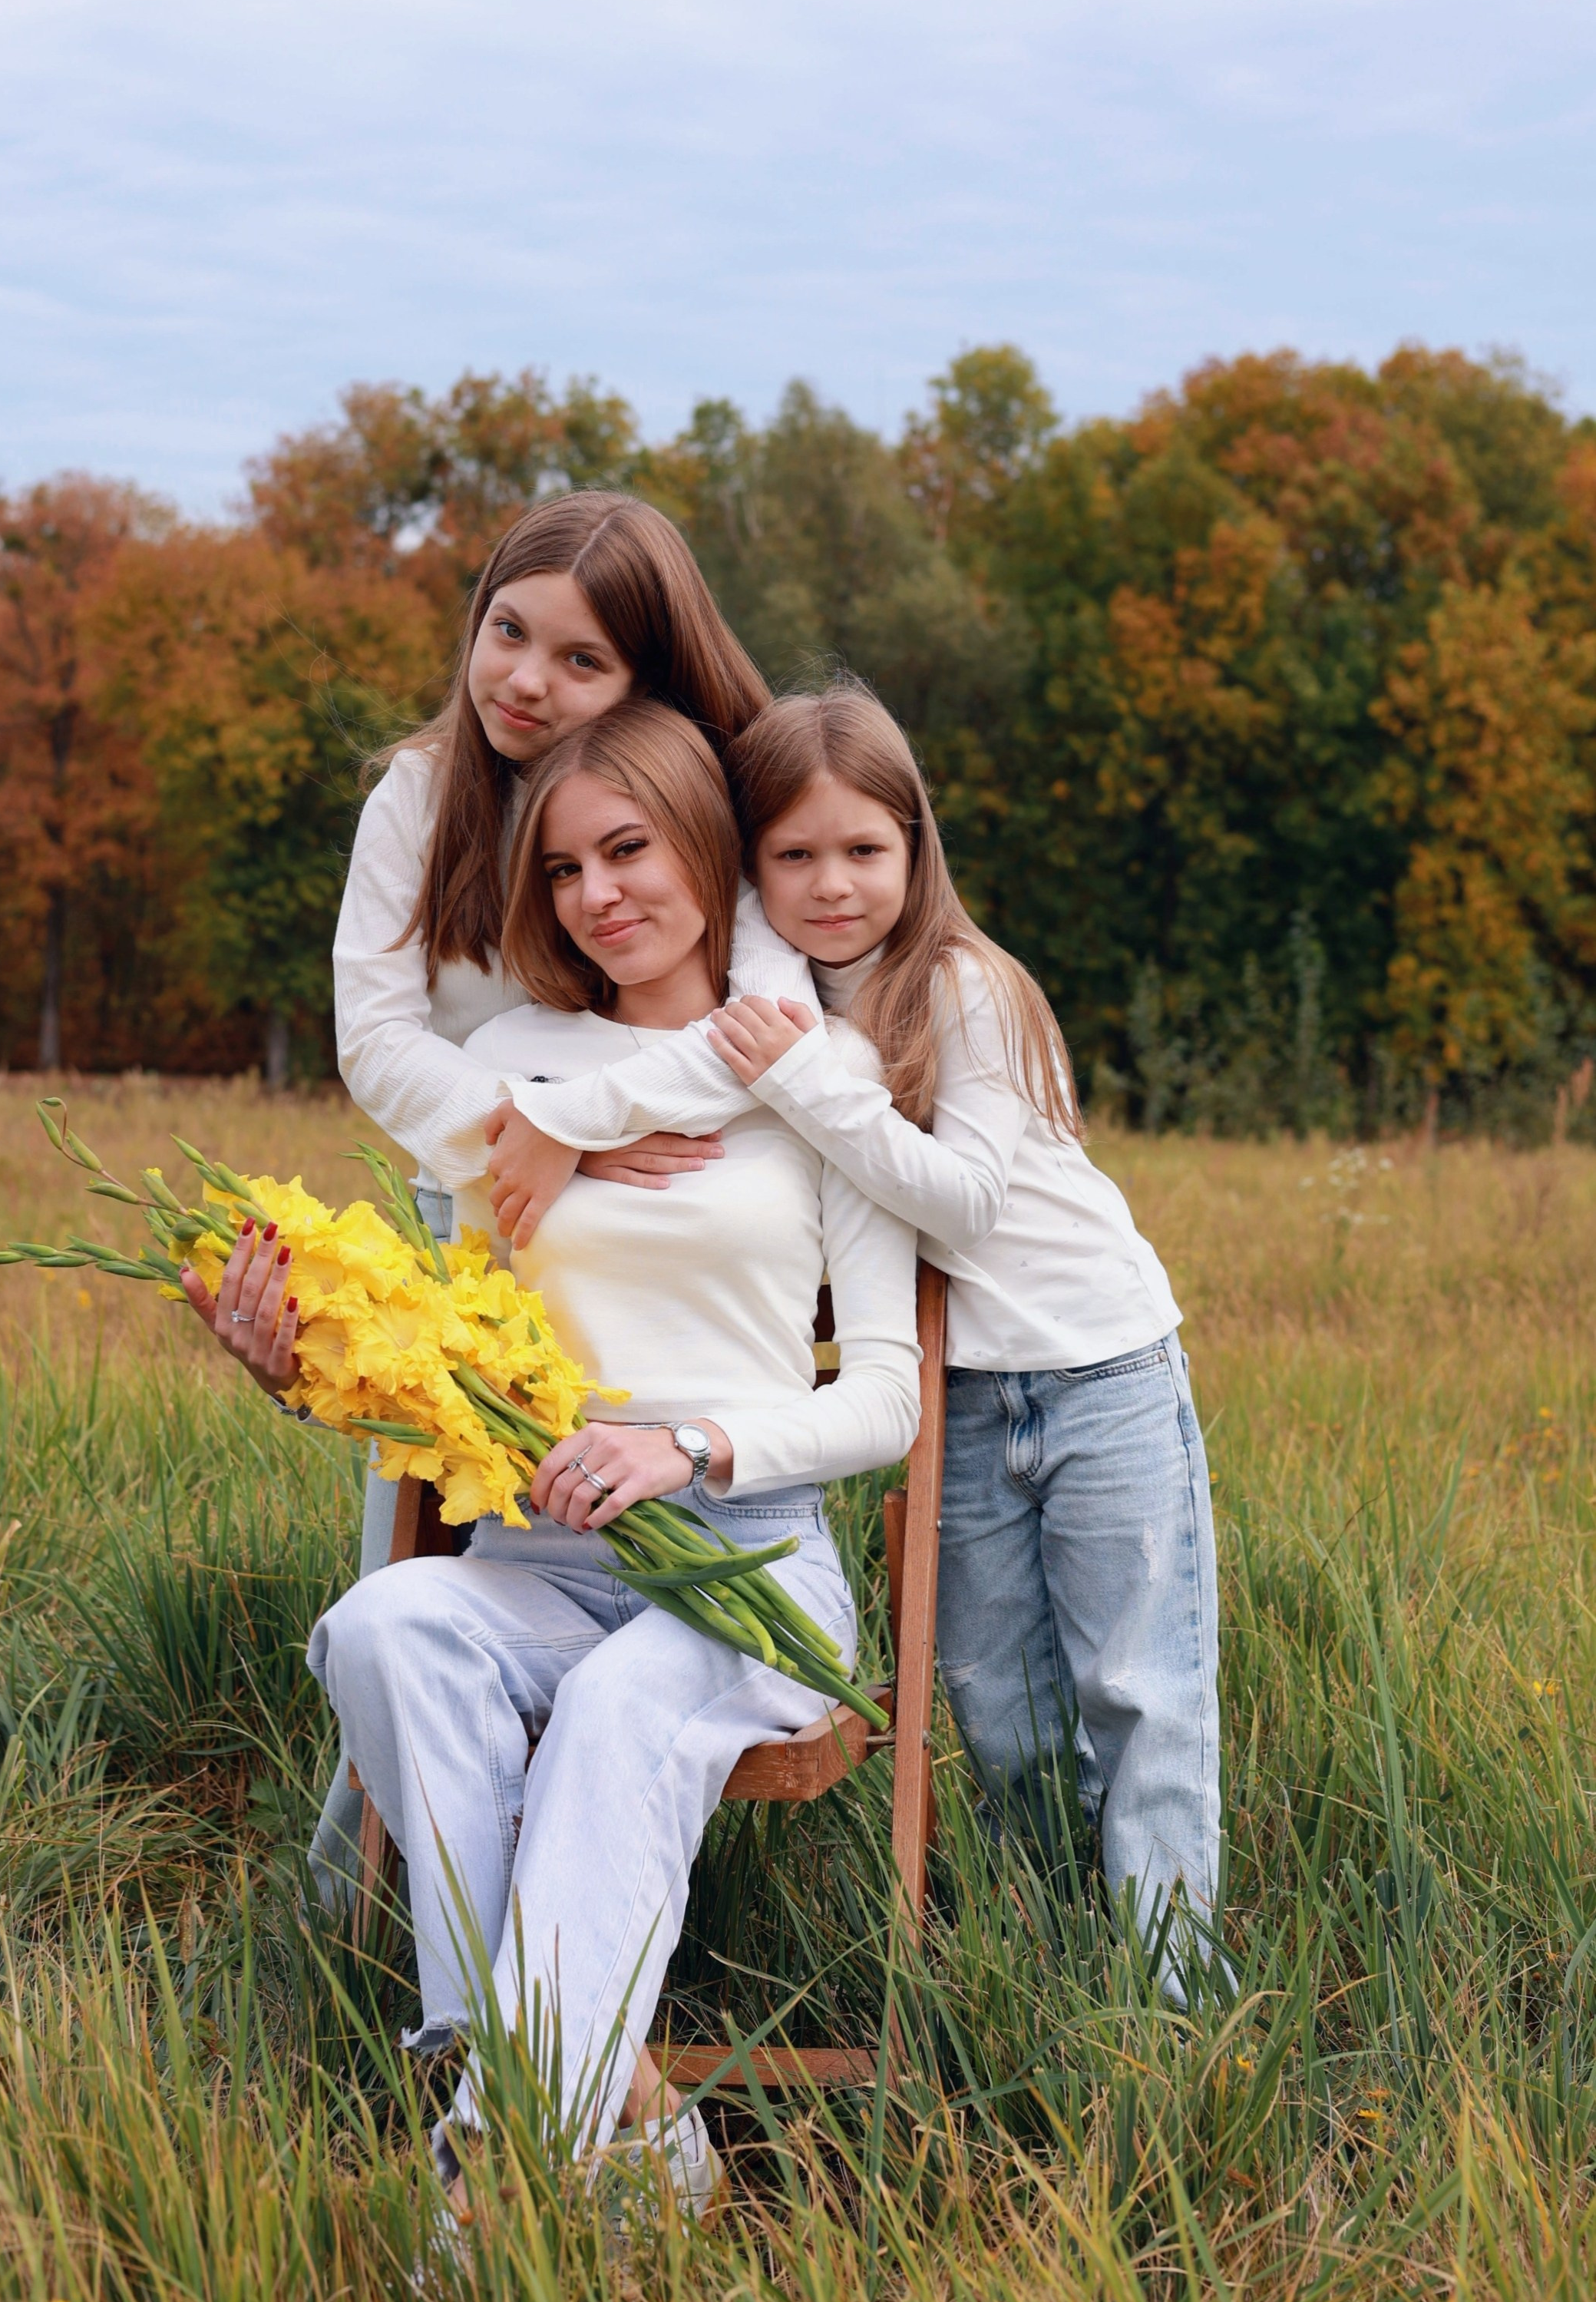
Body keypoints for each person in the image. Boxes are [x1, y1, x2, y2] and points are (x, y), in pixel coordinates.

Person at [492, 683, 1221, 1988]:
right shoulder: (787, 984)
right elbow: (696, 1065)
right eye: (796, 855)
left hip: (1096, 1361)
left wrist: (798, 1084)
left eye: (864, 850)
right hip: (966, 1393)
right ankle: (1054, 1977)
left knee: (1140, 1695)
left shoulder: (961, 984)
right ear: (751, 867)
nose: (832, 884)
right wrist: (575, 1127)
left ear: (915, 848)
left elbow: (964, 1200)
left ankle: (1175, 2007)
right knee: (1002, 1710)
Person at [299, 703, 919, 2211]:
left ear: (705, 846)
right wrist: (302, 1345)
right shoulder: (507, 1067)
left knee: (625, 1704)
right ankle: (617, 2109)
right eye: (565, 868)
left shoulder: (806, 1065)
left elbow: (889, 1397)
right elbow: (445, 1340)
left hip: (744, 1567)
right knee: (388, 1625)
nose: (598, 894)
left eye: (627, 848)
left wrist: (689, 1444)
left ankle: (496, 2163)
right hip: (536, 1558)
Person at [271, 491, 820, 1897]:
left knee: (566, 1566)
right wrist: (523, 1132)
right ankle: (359, 1900)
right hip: (484, 1206)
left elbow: (765, 1008)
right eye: (508, 632)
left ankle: (560, 1908)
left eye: (582, 661)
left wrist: (589, 1118)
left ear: (646, 677)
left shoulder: (703, 795)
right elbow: (376, 1039)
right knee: (423, 1555)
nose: (526, 679)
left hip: (674, 1195)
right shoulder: (422, 789)